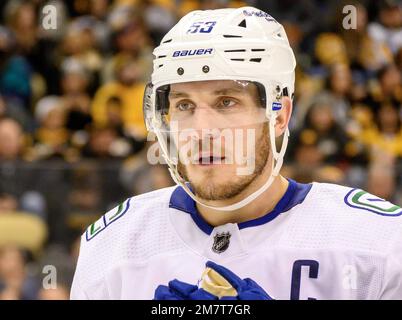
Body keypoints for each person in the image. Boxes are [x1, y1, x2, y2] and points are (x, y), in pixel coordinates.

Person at [71, 7, 402, 300]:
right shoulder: (114, 245)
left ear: (279, 115)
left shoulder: (377, 242)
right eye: (184, 105)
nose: (202, 129)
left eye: (226, 102)